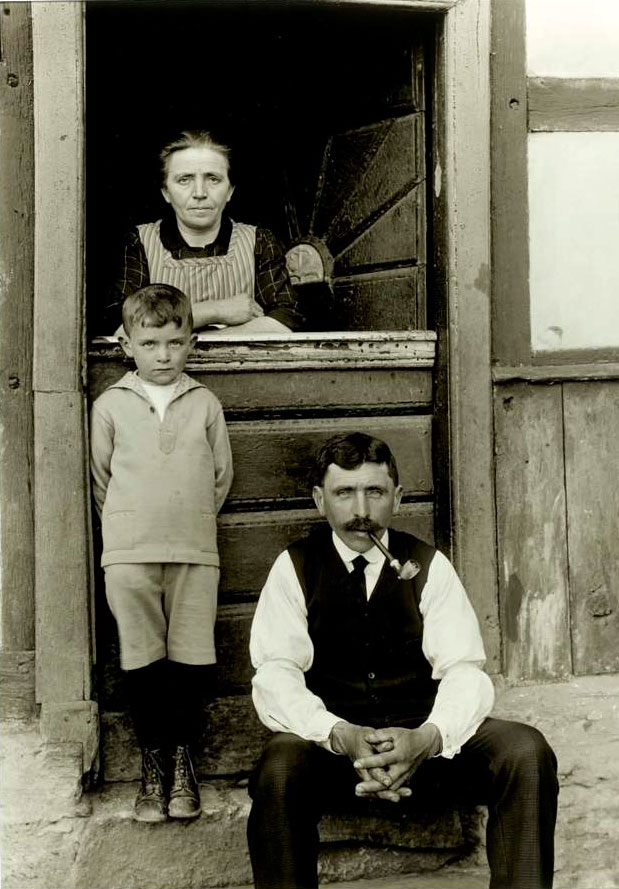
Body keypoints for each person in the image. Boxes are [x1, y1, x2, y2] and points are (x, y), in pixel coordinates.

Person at [247, 432, 559, 889]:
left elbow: (463, 671)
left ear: (397, 497)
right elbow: (275, 673)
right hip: (336, 753)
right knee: (279, 766)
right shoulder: (294, 567)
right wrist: (338, 734)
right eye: (344, 493)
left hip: (425, 751)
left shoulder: (428, 565)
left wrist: (428, 738)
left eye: (374, 492)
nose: (361, 510)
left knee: (525, 751)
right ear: (319, 500)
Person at [90, 283, 233, 822]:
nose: (164, 356)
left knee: (190, 664)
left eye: (175, 343)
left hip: (194, 551)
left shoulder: (204, 404)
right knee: (143, 663)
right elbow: (102, 480)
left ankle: (183, 767)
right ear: (127, 344)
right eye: (150, 344)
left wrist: (186, 520)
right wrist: (134, 527)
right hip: (129, 555)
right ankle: (152, 769)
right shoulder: (110, 406)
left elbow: (220, 477)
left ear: (191, 343)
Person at [101, 129, 303, 336]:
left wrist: (189, 341)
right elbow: (122, 329)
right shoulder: (141, 242)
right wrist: (215, 310)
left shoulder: (258, 241)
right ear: (166, 192)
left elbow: (285, 322)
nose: (199, 193)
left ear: (230, 191)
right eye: (184, 180)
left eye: (213, 179)